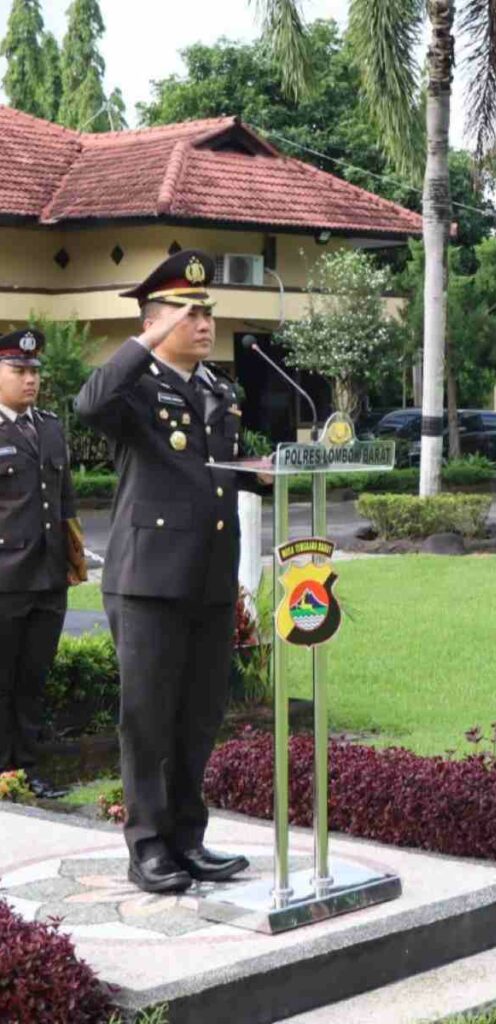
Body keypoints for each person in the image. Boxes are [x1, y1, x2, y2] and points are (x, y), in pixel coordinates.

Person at [76, 250, 256, 894]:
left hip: (208, 578)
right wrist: (144, 339)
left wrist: (266, 472)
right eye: (189, 312)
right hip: (148, 580)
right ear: (156, 322)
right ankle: (148, 845)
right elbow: (90, 404)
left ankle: (188, 838)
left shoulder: (219, 391)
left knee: (198, 715)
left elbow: (223, 473)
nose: (205, 323)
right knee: (148, 717)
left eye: (208, 311)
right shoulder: (135, 389)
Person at [0, 328, 83, 799]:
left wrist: (73, 558)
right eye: (19, 370)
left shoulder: (50, 426)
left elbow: (65, 499)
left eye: (34, 371)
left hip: (49, 576)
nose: (30, 379)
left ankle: (28, 769)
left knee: (32, 680)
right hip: (5, 578)